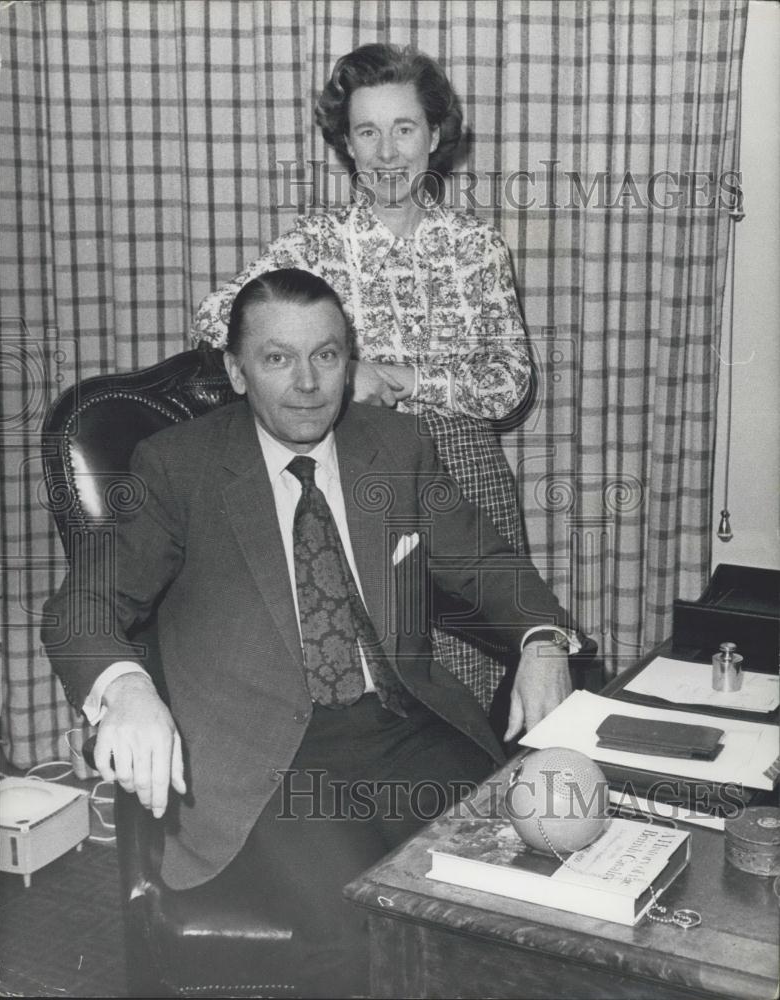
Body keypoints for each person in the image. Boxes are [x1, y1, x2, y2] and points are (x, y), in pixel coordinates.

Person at [44, 269, 580, 998]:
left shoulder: (395, 445)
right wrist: (126, 689)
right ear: (237, 370)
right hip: (265, 757)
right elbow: (81, 606)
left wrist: (541, 640)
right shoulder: (179, 468)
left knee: (516, 896)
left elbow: (485, 562)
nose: (307, 383)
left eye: (326, 356)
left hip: (400, 728)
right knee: (353, 929)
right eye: (277, 358)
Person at [192, 43, 532, 711]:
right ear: (346, 145)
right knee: (393, 678)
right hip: (361, 467)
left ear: (435, 136)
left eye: (403, 129)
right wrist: (345, 371)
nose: (386, 152)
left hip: (467, 464)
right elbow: (215, 316)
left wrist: (400, 376)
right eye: (366, 132)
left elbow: (510, 381)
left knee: (492, 671)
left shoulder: (477, 245)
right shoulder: (313, 243)